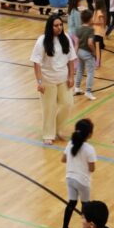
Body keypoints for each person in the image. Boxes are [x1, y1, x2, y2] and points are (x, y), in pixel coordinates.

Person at [31, 14, 77, 145]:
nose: (59, 27)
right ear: (50, 27)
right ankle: (48, 134)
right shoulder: (42, 41)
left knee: (68, 104)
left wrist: (71, 76)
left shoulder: (66, 38)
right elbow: (36, 62)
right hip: (48, 80)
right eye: (56, 25)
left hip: (63, 79)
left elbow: (71, 59)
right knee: (49, 108)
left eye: (61, 25)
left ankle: (57, 129)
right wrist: (39, 82)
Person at [59, 118, 95, 228]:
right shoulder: (89, 149)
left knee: (71, 203)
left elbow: (63, 159)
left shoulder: (70, 143)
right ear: (89, 134)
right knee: (85, 206)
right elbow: (92, 168)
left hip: (70, 178)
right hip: (83, 181)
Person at [73, 9, 98, 99]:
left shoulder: (78, 29)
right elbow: (90, 43)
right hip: (87, 53)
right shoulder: (91, 30)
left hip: (79, 52)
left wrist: (75, 54)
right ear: (90, 19)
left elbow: (77, 43)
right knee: (90, 72)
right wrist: (94, 52)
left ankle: (77, 88)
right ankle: (88, 91)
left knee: (80, 70)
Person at [91, 0, 108, 65]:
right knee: (96, 47)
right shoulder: (96, 11)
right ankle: (96, 61)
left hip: (98, 32)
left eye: (94, 3)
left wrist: (93, 22)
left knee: (97, 48)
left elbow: (102, 22)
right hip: (96, 32)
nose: (93, 4)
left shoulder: (99, 12)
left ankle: (97, 62)